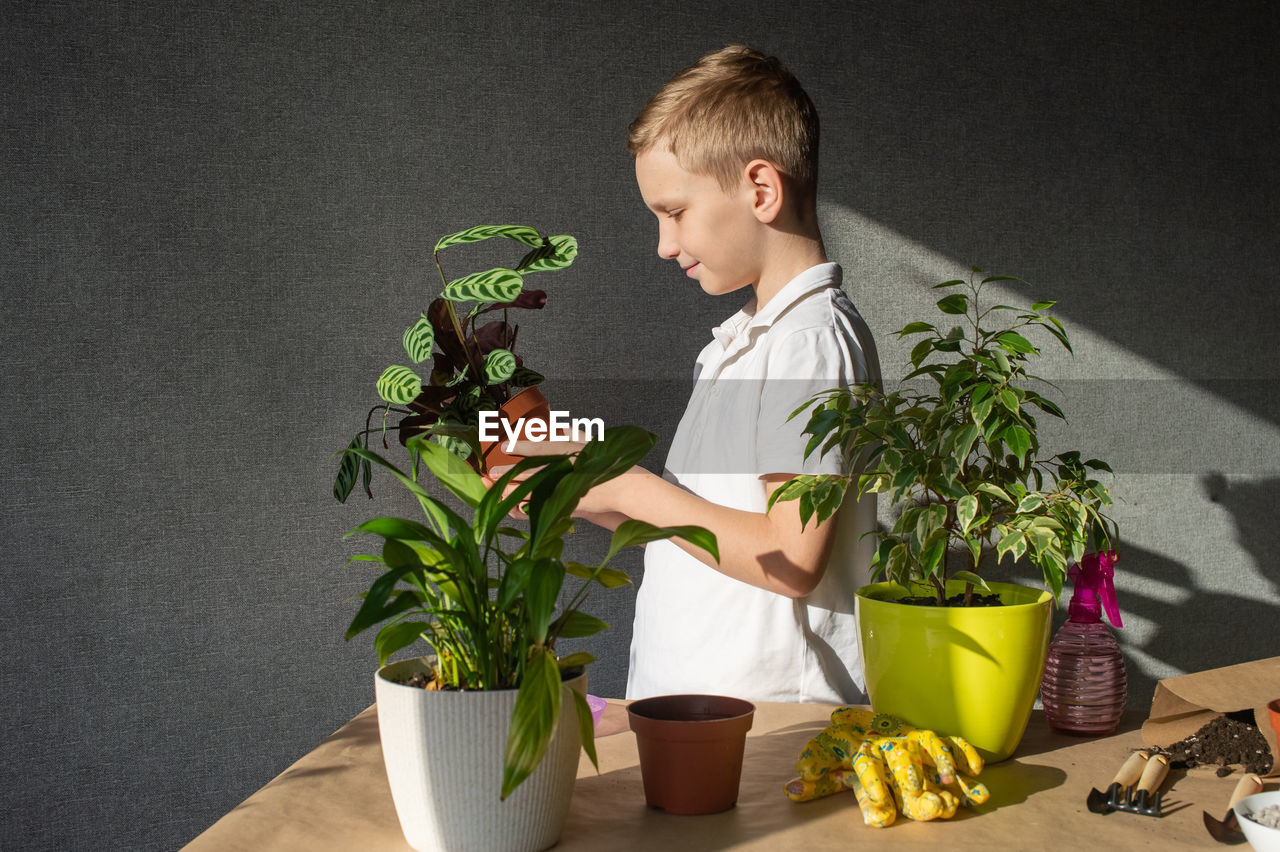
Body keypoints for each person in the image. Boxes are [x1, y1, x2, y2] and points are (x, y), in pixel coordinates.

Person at [510, 45, 881, 704]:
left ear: (761, 190)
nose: (663, 243)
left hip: (770, 727)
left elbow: (792, 560)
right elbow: (710, 523)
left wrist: (628, 486)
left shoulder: (808, 345)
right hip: (708, 715)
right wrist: (565, 487)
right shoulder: (745, 342)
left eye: (674, 211)